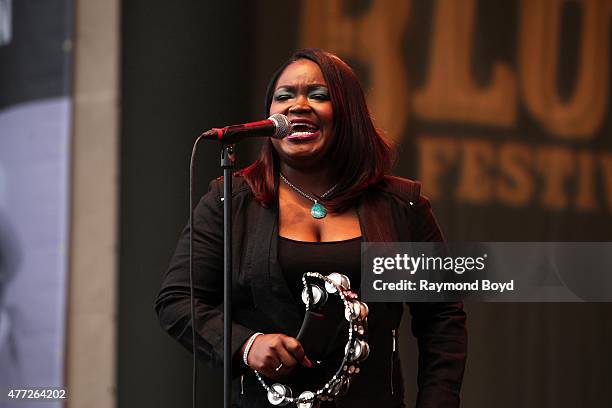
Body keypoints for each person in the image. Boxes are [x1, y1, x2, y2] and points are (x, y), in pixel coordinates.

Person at [155, 48, 467, 407]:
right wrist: (247, 344)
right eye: (283, 96)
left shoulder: (399, 205)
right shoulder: (231, 200)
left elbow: (442, 318)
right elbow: (178, 300)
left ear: (349, 114)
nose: (297, 106)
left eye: (318, 95)